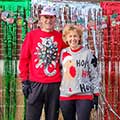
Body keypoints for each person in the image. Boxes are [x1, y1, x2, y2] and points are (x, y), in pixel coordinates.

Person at [19, 5, 66, 120]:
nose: (48, 20)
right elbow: (24, 58)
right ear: (40, 19)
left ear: (55, 19)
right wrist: (24, 80)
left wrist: (89, 57)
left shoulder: (60, 37)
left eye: (51, 17)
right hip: (35, 83)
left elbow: (71, 53)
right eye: (46, 17)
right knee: (31, 117)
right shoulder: (31, 36)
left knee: (52, 117)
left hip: (54, 84)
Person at [59, 24, 101, 120]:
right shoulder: (63, 53)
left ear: (79, 38)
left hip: (84, 95)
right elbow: (59, 73)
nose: (73, 39)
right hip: (66, 95)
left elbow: (94, 74)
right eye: (70, 36)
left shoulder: (87, 53)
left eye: (75, 36)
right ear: (66, 38)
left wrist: (96, 93)